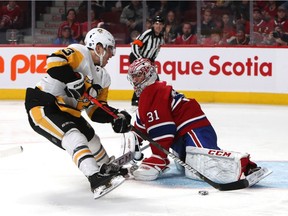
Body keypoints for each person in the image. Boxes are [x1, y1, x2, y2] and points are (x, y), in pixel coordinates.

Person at [125, 58, 270, 184]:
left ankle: (247, 167)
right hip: (182, 135)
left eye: (138, 75)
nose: (135, 80)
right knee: (192, 170)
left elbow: (163, 130)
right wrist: (132, 145)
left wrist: (158, 159)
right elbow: (142, 126)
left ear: (148, 74)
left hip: (193, 128)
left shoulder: (154, 91)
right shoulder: (149, 94)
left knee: (205, 163)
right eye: (133, 77)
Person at [24, 28, 131, 198]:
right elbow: (54, 61)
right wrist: (73, 79)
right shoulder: (81, 53)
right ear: (98, 47)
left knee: (93, 140)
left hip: (68, 111)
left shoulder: (104, 78)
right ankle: (95, 178)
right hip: (44, 104)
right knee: (74, 137)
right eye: (110, 48)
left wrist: (115, 116)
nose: (112, 54)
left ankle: (105, 167)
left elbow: (96, 110)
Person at [129, 15, 165, 106]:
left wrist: (151, 63)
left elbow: (156, 51)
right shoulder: (147, 34)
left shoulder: (161, 38)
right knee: (141, 79)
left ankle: (155, 99)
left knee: (154, 79)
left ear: (163, 26)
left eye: (160, 24)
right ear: (153, 25)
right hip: (136, 57)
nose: (158, 26)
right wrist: (140, 59)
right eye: (156, 24)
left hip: (147, 60)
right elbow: (135, 45)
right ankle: (135, 100)